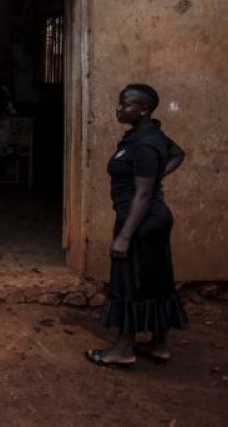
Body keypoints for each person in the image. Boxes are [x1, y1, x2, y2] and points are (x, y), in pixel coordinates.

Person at [86, 83, 187, 368]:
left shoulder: (143, 144)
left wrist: (124, 237)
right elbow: (178, 153)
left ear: (143, 109)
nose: (119, 108)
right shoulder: (149, 135)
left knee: (129, 282)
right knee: (157, 280)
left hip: (139, 221)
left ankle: (123, 349)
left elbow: (142, 195)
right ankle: (159, 344)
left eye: (125, 104)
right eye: (119, 102)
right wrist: (157, 177)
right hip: (154, 219)